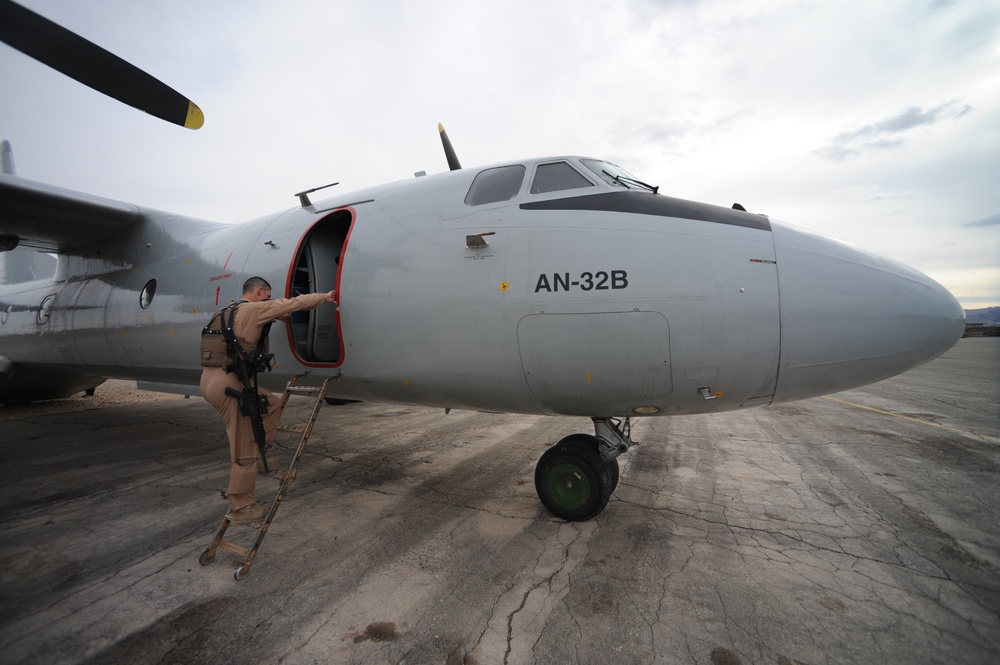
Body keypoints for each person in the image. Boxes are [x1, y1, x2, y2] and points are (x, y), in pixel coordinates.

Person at [199, 276, 337, 523]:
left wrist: (271, 317)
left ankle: (261, 454)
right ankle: (242, 507)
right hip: (230, 385)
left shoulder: (225, 311)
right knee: (244, 447)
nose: (268, 301)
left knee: (272, 405)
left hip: (210, 379)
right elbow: (292, 304)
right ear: (260, 291)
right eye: (267, 296)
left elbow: (240, 330)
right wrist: (324, 298)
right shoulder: (255, 309)